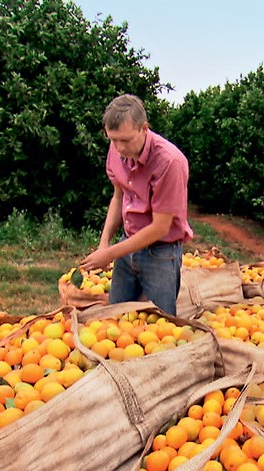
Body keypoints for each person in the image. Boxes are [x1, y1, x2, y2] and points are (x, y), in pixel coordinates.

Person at [80, 94, 193, 316]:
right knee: (115, 318)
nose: (119, 148)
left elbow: (160, 227)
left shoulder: (169, 162)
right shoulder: (117, 149)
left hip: (161, 252)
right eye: (113, 139)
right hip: (127, 243)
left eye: (125, 140)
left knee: (160, 324)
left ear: (144, 128)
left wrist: (110, 254)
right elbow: (118, 197)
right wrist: (104, 246)